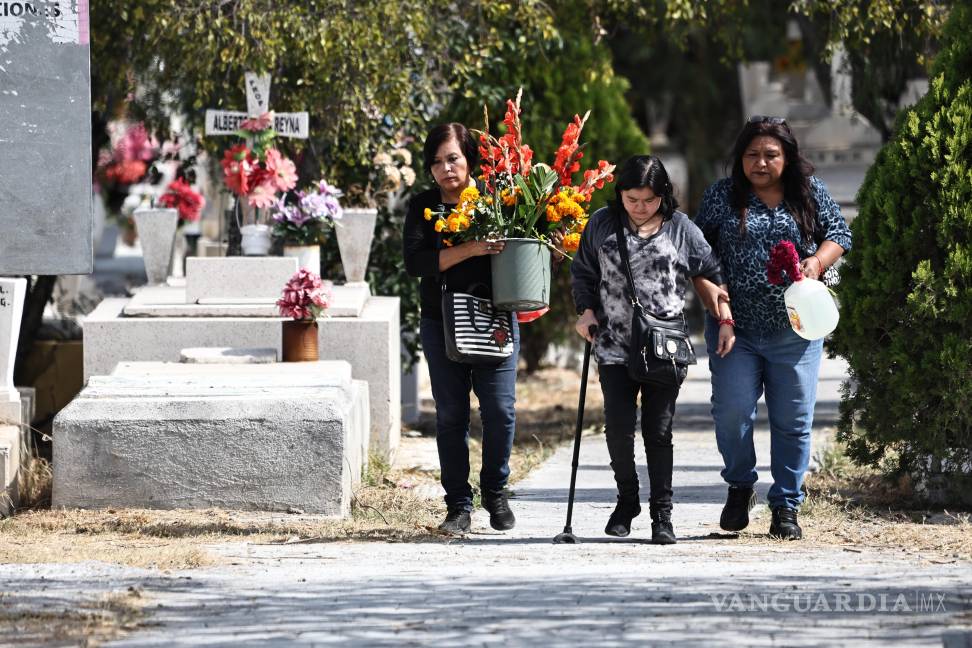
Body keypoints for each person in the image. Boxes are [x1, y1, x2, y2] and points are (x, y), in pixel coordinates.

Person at [694, 116, 852, 540]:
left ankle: (785, 503)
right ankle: (740, 484)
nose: (760, 163)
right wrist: (719, 307)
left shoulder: (808, 193)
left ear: (788, 157)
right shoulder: (721, 196)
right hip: (734, 330)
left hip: (795, 330)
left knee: (793, 420)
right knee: (731, 413)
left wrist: (816, 263)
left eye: (770, 155)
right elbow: (696, 258)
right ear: (739, 158)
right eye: (752, 155)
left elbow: (838, 234)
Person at [571, 155, 728, 545]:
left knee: (658, 432)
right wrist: (585, 311)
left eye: (649, 200)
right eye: (631, 199)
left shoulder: (681, 228)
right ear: (619, 194)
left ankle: (663, 515)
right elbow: (584, 273)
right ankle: (627, 501)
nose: (640, 207)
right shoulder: (602, 224)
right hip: (613, 344)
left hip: (665, 345)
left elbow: (710, 269)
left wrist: (724, 315)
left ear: (663, 196)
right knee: (618, 431)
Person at [403, 123, 518, 535]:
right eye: (436, 162)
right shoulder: (423, 206)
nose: (445, 169)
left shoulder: (498, 199)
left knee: (501, 412)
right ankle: (458, 505)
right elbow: (416, 263)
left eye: (453, 158)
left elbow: (523, 249)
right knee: (451, 415)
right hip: (441, 321)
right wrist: (470, 248)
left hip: (496, 317)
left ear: (469, 158)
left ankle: (495, 491)